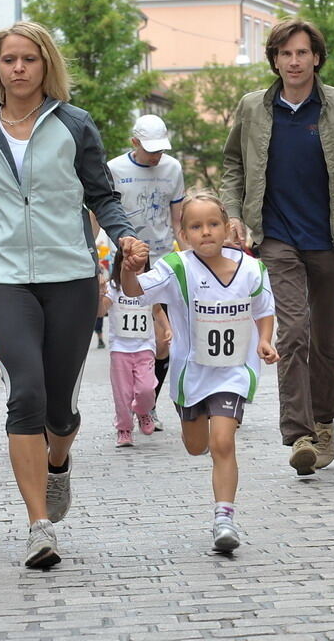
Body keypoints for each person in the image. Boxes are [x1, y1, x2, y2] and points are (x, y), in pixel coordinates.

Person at [0, 21, 147, 569]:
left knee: (60, 408)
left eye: (29, 59)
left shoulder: (74, 124)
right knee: (25, 393)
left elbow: (102, 195)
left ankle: (59, 464)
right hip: (6, 278)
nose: (18, 69)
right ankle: (38, 526)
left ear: (44, 64)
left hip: (71, 276)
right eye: (9, 60)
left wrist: (123, 234)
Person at [221, 18, 334, 476]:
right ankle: (299, 433)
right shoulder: (253, 108)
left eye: (302, 53)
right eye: (285, 53)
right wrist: (235, 212)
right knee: (292, 332)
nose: (294, 61)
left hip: (331, 239)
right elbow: (233, 164)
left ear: (316, 58)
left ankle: (324, 419)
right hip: (275, 238)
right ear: (274, 59)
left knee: (326, 339)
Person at [120, 192, 278, 552]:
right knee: (196, 447)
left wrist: (265, 341)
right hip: (190, 375)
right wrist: (131, 269)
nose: (205, 232)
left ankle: (224, 519)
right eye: (196, 226)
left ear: (227, 228)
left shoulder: (252, 268)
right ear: (184, 234)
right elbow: (136, 293)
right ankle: (197, 430)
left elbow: (263, 308)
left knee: (223, 442)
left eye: (213, 224)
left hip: (233, 372)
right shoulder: (176, 268)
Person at [107, 114, 186, 431]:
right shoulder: (114, 169)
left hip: (162, 259)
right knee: (129, 338)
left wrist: (189, 257)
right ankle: (127, 406)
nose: (156, 156)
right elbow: (102, 215)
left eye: (161, 150)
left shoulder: (173, 169)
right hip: (124, 260)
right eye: (150, 149)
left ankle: (147, 404)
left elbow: (177, 220)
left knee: (163, 340)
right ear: (134, 143)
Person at [100, 248, 171, 447]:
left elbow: (157, 310)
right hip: (120, 350)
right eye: (130, 263)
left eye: (140, 265)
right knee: (122, 394)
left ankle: (143, 411)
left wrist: (167, 329)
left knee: (147, 388)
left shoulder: (149, 287)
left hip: (144, 347)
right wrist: (99, 295)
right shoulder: (114, 288)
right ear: (121, 264)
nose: (136, 269)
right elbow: (101, 310)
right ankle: (124, 428)